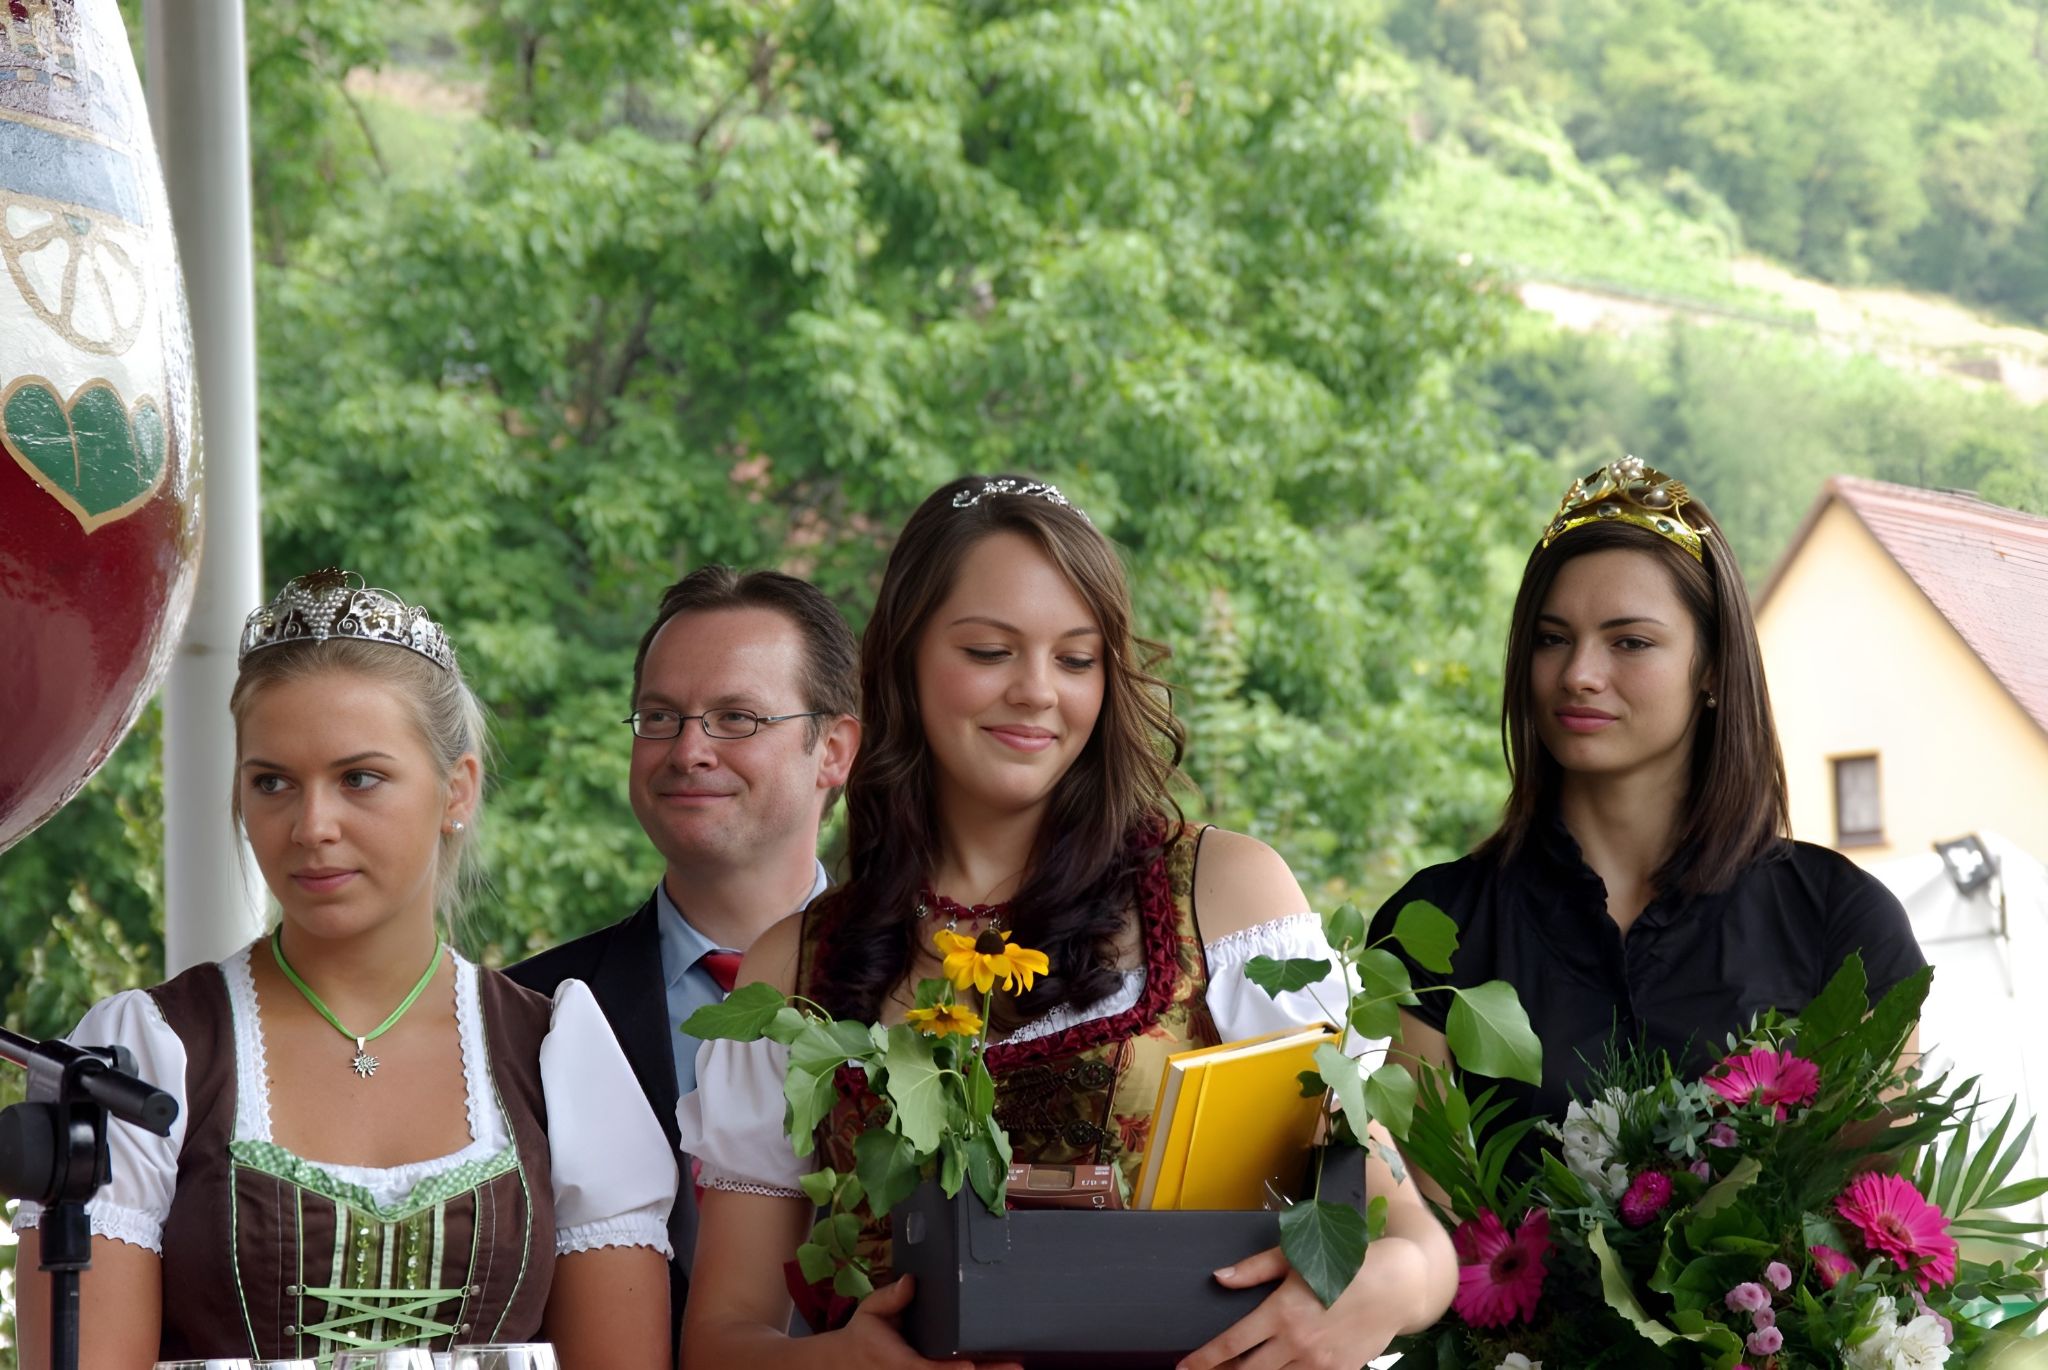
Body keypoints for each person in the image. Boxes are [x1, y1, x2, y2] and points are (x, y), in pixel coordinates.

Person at [677, 475, 1459, 1369]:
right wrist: (840, 1362)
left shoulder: (1224, 895)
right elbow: (720, 1341)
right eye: (989, 651)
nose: (1037, 691)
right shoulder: (797, 967)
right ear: (903, 659)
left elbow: (1413, 1243)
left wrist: (1378, 1288)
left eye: (1077, 659)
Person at [16, 569, 676, 1367]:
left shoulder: (554, 1054)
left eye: (359, 778)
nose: (312, 826)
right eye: (273, 783)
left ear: (457, 790)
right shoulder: (150, 1053)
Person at [1369, 457, 1927, 1131]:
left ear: (1713, 666)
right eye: (1552, 639)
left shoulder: (1841, 922)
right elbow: (1415, 1192)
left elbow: (1874, 1189)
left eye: (1630, 642)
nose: (1579, 674)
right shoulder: (1436, 926)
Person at [507, 566, 860, 1348]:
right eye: (660, 717)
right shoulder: (523, 1014)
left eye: (735, 718)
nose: (688, 749)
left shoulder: (934, 990)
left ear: (833, 750)